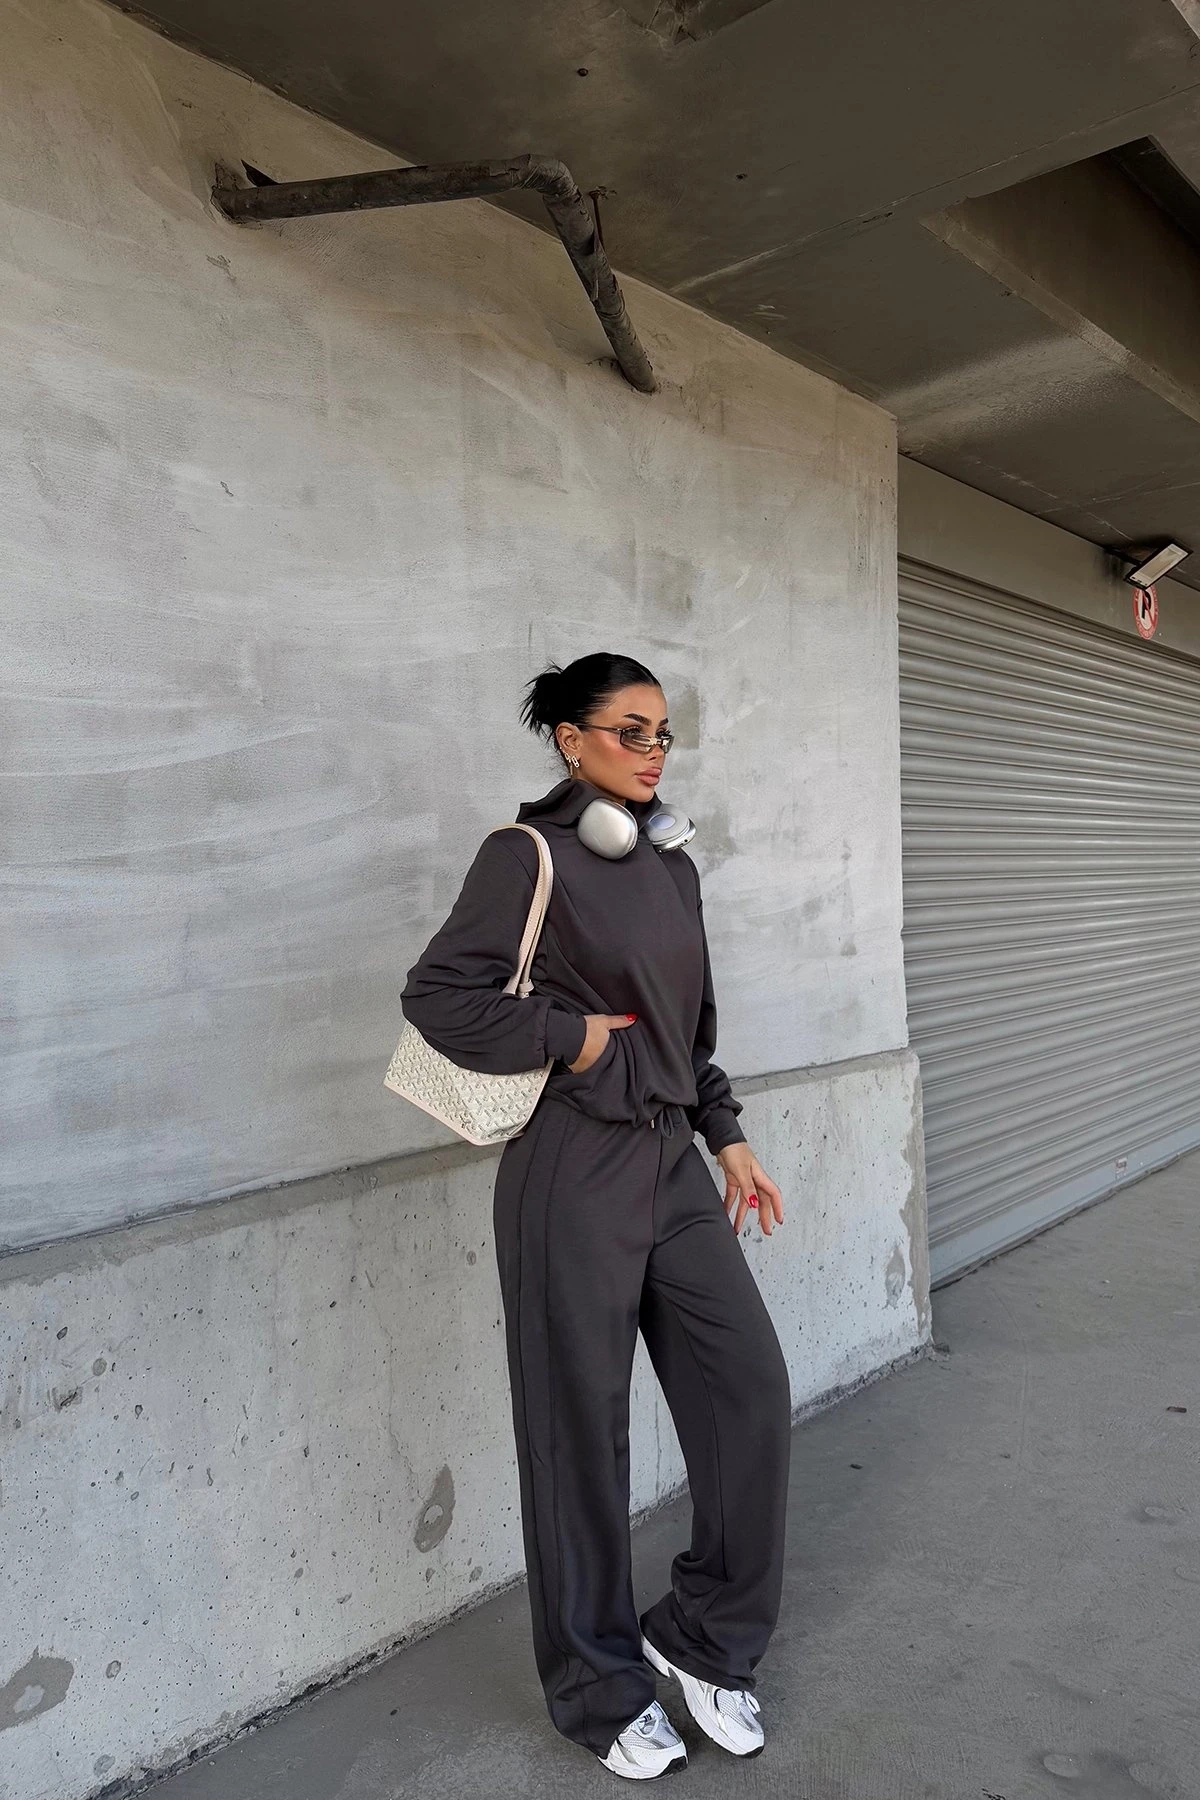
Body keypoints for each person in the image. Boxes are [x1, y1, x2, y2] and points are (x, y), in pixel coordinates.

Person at [400, 652, 791, 1779]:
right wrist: (568, 1039)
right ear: (571, 741)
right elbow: (439, 994)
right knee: (579, 1433)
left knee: (750, 1392)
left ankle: (704, 1637)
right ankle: (596, 1686)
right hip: (571, 1171)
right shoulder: (526, 856)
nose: (653, 751)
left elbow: (686, 1032)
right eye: (631, 731)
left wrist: (726, 1133)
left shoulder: (672, 866)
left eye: (664, 733)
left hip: (673, 1165)